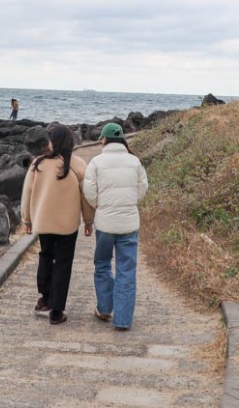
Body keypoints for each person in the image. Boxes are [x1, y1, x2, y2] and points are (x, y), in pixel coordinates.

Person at [20, 123, 95, 325]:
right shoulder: (77, 165)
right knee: (63, 263)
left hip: (43, 222)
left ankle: (45, 298)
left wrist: (26, 219)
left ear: (52, 142)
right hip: (68, 225)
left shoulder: (38, 164)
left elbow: (27, 194)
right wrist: (88, 220)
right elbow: (86, 197)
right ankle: (57, 311)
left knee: (45, 255)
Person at [83, 122, 149, 331]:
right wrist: (129, 203)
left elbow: (89, 191)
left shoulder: (96, 162)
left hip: (105, 223)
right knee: (126, 270)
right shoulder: (135, 161)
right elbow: (143, 188)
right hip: (129, 223)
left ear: (103, 139)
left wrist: (100, 206)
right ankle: (122, 320)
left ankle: (104, 309)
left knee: (102, 264)